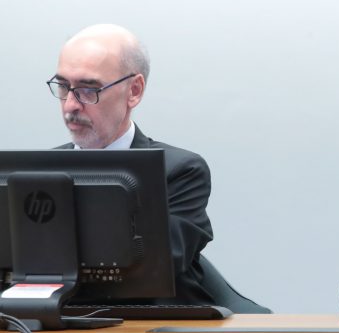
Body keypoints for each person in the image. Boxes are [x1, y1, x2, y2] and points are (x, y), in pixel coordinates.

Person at [46, 24, 215, 305]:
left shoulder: (179, 172)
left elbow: (155, 269)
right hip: (51, 323)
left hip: (150, 325)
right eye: (63, 86)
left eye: (88, 89)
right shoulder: (40, 173)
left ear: (134, 91)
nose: (70, 105)